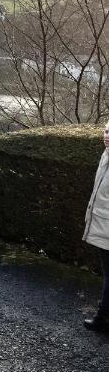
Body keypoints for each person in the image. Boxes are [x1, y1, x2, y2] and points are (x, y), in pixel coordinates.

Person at [83, 121, 109, 333]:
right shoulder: (105, 155)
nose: (108, 136)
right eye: (107, 131)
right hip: (102, 225)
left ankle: (103, 318)